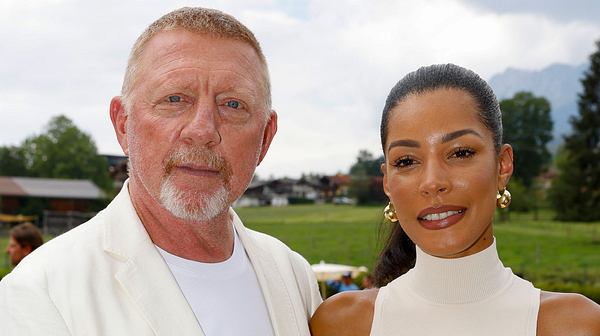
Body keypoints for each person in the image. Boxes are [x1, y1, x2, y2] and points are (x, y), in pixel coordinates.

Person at [0, 7, 321, 335]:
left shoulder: (293, 276)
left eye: (233, 104)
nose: (202, 130)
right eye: (175, 99)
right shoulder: (41, 293)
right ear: (123, 124)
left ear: (265, 137)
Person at [310, 64, 600, 335]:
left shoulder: (575, 325)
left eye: (460, 153)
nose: (433, 182)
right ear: (387, 181)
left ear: (502, 166)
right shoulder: (341, 324)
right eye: (407, 160)